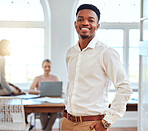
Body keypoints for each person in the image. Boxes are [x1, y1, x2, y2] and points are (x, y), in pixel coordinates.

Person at [61, 4, 133, 131]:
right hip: (67, 122)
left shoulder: (106, 53)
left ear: (97, 26)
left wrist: (107, 121)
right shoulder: (71, 53)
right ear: (75, 23)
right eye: (81, 19)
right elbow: (72, 85)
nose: (85, 23)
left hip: (90, 124)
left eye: (91, 20)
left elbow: (125, 88)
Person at [28, 59, 58, 131]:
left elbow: (59, 90)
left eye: (49, 66)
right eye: (45, 66)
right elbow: (30, 90)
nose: (47, 68)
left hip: (53, 103)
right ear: (42, 67)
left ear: (50, 68)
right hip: (41, 103)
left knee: (55, 113)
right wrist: (40, 91)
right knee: (43, 113)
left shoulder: (55, 78)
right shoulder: (38, 78)